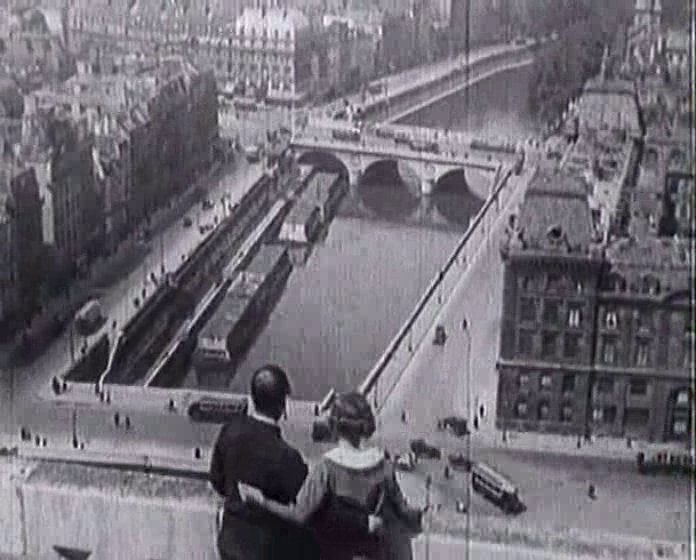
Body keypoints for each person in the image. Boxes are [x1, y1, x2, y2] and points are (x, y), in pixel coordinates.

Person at [210, 366, 374, 560]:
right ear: (283, 405)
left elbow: (218, 481)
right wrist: (363, 522)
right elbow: (314, 510)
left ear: (252, 398)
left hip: (230, 544)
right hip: (267, 552)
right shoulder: (286, 457)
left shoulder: (230, 431)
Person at [239, 391, 424, 560]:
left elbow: (299, 514)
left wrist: (261, 501)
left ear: (334, 427)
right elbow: (404, 513)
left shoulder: (326, 468)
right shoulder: (385, 467)